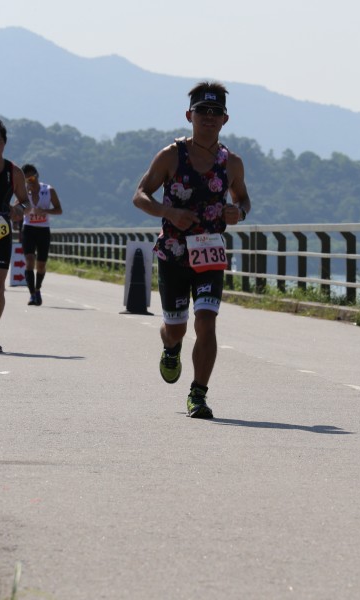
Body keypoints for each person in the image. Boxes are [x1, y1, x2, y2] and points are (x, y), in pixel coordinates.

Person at [132, 81, 251, 419]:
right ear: (189, 115)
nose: (209, 117)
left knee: (207, 322)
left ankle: (198, 394)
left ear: (225, 119)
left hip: (210, 253)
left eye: (216, 112)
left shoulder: (232, 163)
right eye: (202, 111)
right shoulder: (171, 156)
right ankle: (171, 348)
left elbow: (244, 199)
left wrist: (238, 212)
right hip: (173, 253)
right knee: (177, 329)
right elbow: (140, 195)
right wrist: (168, 212)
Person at [0, 119, 30, 353]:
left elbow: (26, 203)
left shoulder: (14, 172)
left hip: (1, 232)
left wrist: (18, 210)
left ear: (4, 143)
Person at [20, 164, 63, 306]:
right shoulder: (24, 193)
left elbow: (59, 210)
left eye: (32, 178)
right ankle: (32, 294)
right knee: (29, 260)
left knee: (41, 265)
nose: (30, 181)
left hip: (43, 230)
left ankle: (38, 288)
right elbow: (17, 209)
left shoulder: (49, 190)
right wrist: (25, 207)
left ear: (37, 176)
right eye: (27, 179)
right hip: (29, 229)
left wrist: (45, 212)